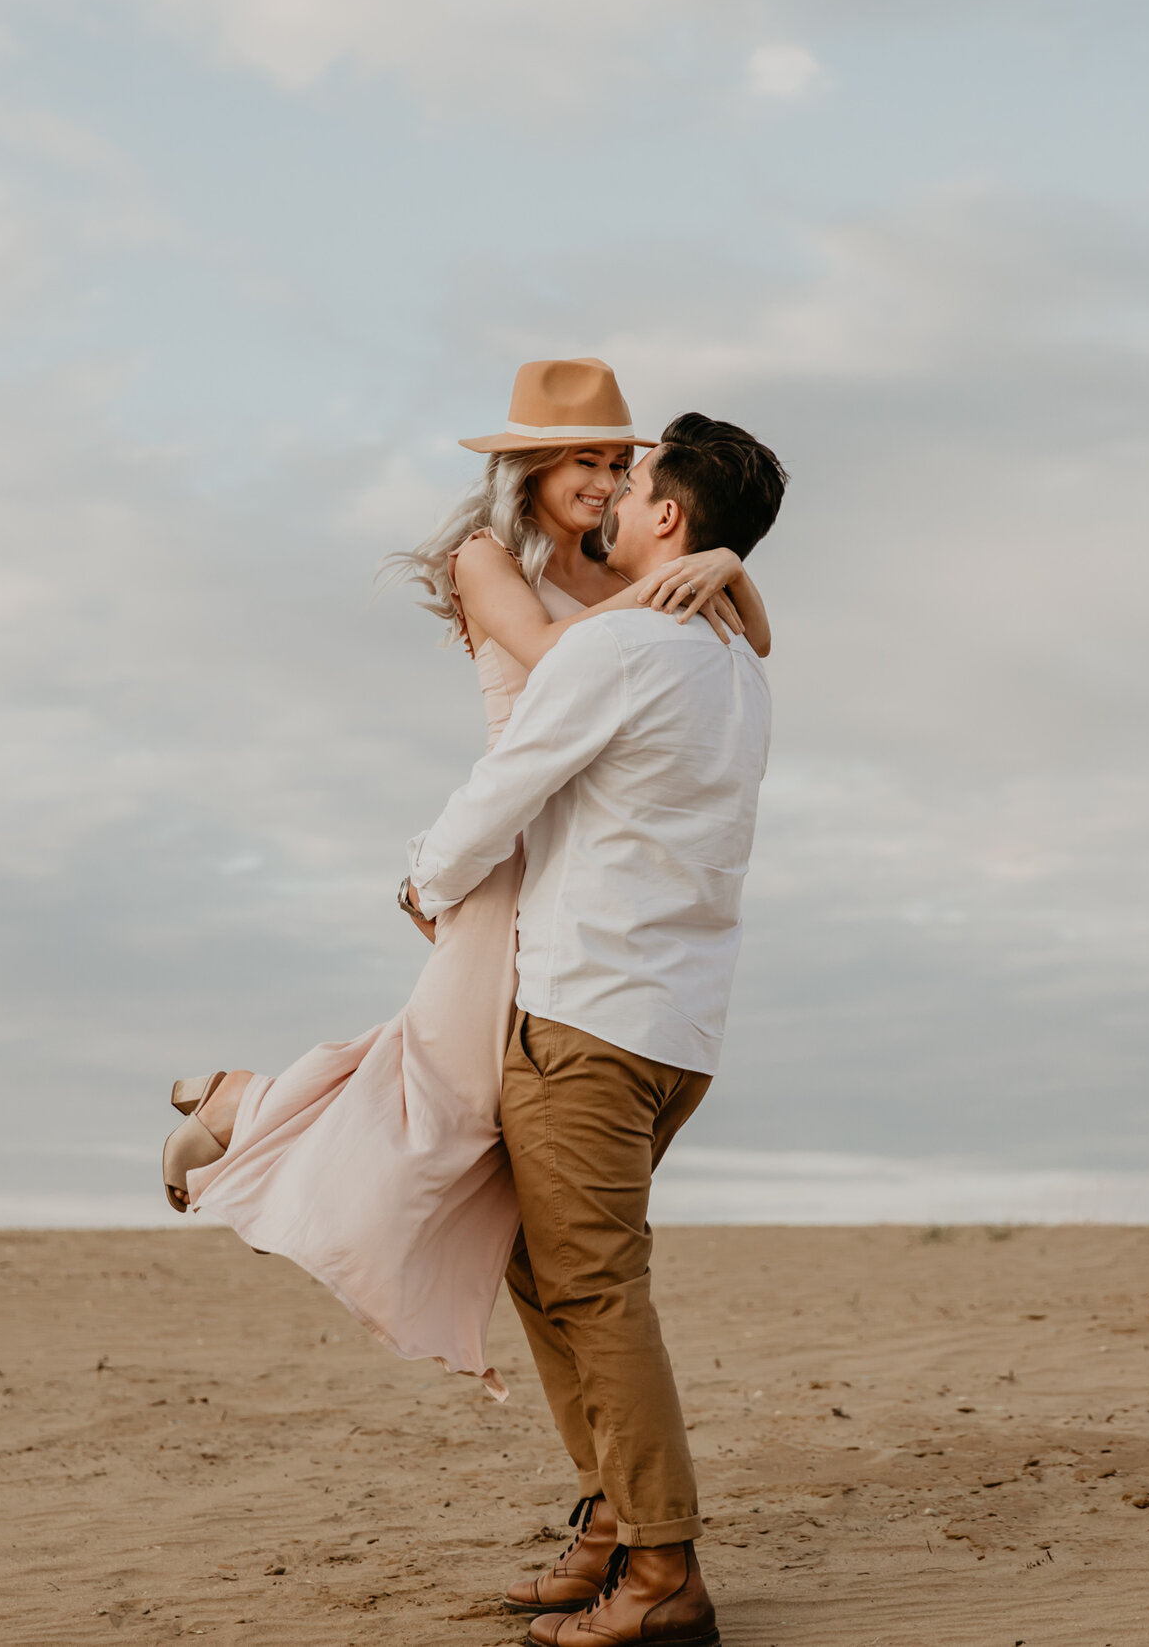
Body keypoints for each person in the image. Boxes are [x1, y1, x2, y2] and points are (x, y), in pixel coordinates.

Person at [158, 360, 772, 1399]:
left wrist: (723, 570)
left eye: (619, 462)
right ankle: (245, 1109)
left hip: (577, 856)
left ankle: (248, 1104)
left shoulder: (627, 573)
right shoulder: (487, 556)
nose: (603, 477)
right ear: (530, 465)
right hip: (499, 853)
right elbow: (548, 651)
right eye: (583, 457)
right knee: (445, 1096)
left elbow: (747, 644)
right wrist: (697, 577)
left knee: (460, 1097)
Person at [404, 413, 784, 1646]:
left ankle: (662, 1569)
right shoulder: (733, 658)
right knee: (538, 1260)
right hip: (677, 1028)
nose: (613, 498)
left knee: (596, 1287)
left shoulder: (621, 649)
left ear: (669, 519)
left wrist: (422, 880)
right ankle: (614, 1521)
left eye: (633, 486)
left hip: (585, 1017)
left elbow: (502, 789)